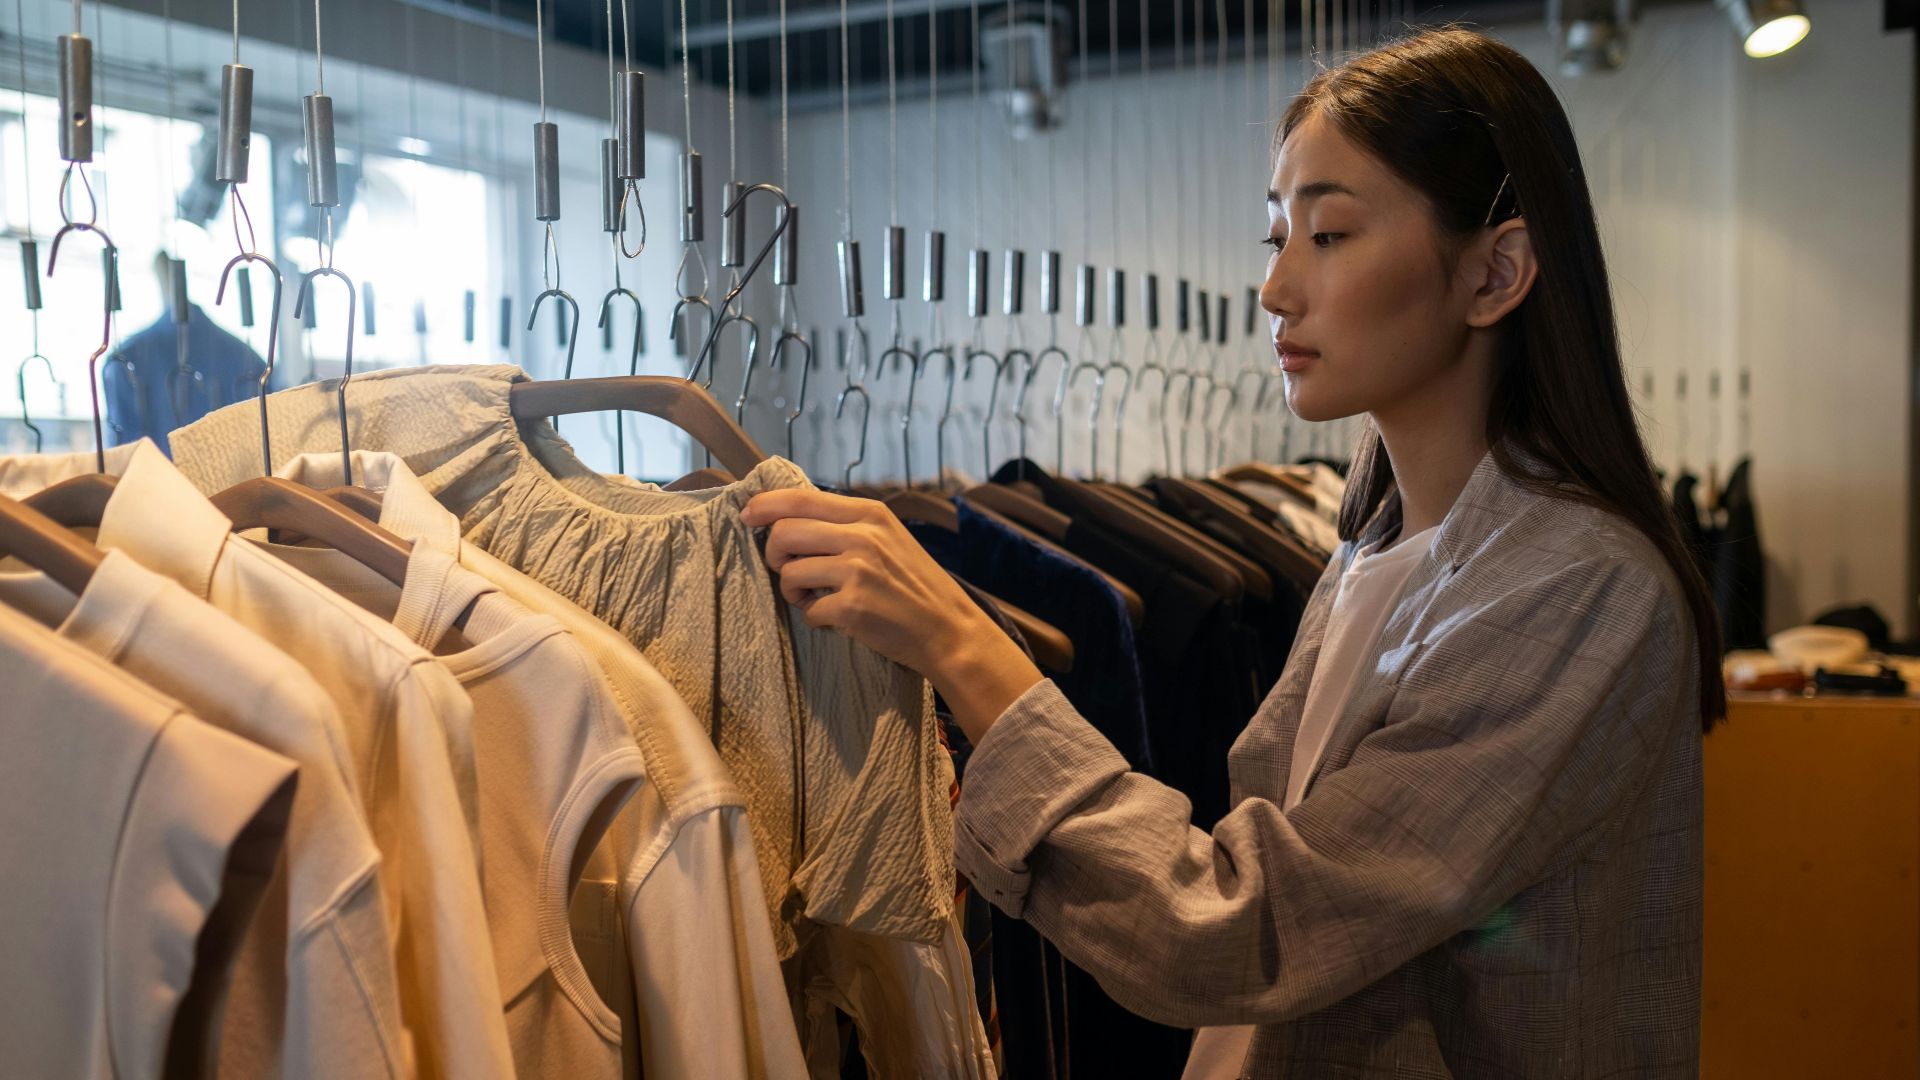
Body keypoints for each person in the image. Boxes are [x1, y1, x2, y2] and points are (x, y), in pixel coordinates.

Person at [741, 26, 1726, 1079]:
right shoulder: (1368, 553)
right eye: (1276, 240)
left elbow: (1239, 931)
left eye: (1332, 236)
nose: (1276, 291)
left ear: (1497, 272)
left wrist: (962, 644)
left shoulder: (1577, 589)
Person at [102, 252, 266, 455]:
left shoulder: (125, 361)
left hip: (157, 483)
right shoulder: (250, 359)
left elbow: (122, 451)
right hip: (243, 485)